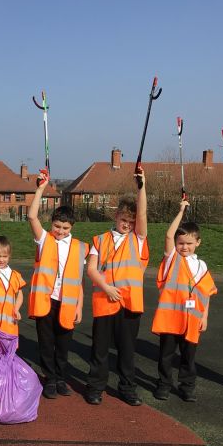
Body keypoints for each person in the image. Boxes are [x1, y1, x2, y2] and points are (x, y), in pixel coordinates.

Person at [85, 167, 149, 406]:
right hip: (105, 300)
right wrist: (107, 288)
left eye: (131, 222)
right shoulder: (100, 240)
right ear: (116, 217)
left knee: (127, 350)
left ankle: (127, 387)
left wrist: (142, 187)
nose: (128, 224)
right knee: (99, 350)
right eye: (124, 220)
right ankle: (95, 387)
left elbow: (142, 214)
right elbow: (91, 269)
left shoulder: (138, 238)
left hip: (130, 302)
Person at [27, 171, 87, 399]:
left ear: (72, 227)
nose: (60, 231)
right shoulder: (45, 239)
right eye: (57, 227)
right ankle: (49, 379)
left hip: (68, 302)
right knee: (46, 342)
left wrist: (80, 306)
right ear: (52, 224)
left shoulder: (81, 247)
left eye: (65, 228)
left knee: (63, 344)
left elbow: (78, 280)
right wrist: (41, 189)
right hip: (47, 300)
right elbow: (32, 217)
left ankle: (61, 378)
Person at [151, 200, 217, 402]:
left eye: (189, 243)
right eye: (181, 243)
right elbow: (169, 235)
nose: (184, 247)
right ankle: (163, 385)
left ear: (198, 242)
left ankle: (187, 386)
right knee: (166, 355)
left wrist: (204, 316)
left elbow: (205, 292)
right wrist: (181, 211)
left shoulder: (202, 265)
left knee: (188, 357)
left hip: (192, 320)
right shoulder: (172, 259)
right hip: (171, 318)